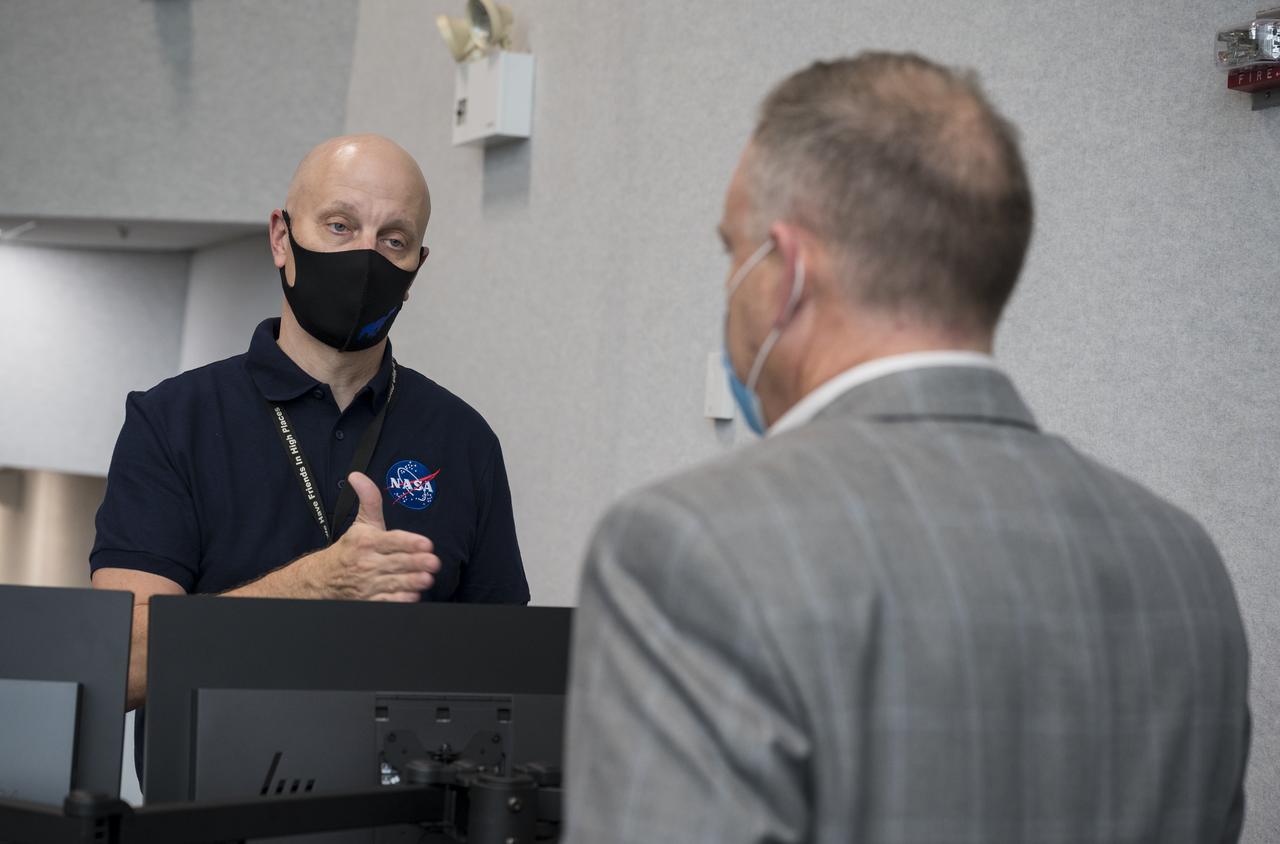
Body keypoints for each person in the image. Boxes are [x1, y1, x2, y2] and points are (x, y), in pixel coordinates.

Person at [564, 54, 1250, 843]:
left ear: (785, 274)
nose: (728, 287)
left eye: (732, 252)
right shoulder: (1183, 561)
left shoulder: (690, 549)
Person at [90, 135, 530, 767]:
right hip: (210, 815)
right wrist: (314, 587)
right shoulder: (172, 421)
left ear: (415, 269)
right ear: (281, 237)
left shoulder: (464, 441)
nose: (367, 256)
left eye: (394, 240)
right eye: (340, 226)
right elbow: (117, 666)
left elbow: (506, 672)